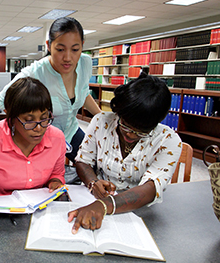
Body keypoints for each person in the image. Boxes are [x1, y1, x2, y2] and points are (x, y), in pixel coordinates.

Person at [68, 73, 182, 232]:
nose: (130, 134)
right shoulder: (101, 122)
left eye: (141, 132)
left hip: (140, 213)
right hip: (92, 201)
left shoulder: (168, 140)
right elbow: (82, 161)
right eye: (125, 125)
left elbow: (152, 188)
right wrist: (93, 183)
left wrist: (104, 205)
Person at [0, 77, 66, 216]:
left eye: (44, 118)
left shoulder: (57, 138)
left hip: (39, 213)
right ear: (12, 117)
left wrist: (55, 182)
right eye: (29, 120)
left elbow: (56, 174)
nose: (39, 128)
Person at [0, 17, 101, 163]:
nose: (68, 57)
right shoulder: (35, 72)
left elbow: (83, 92)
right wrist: (31, 127)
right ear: (49, 45)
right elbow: (2, 100)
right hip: (43, 137)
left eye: (75, 49)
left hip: (71, 131)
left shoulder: (85, 62)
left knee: (95, 164)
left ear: (82, 46)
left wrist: (102, 117)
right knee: (46, 179)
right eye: (60, 49)